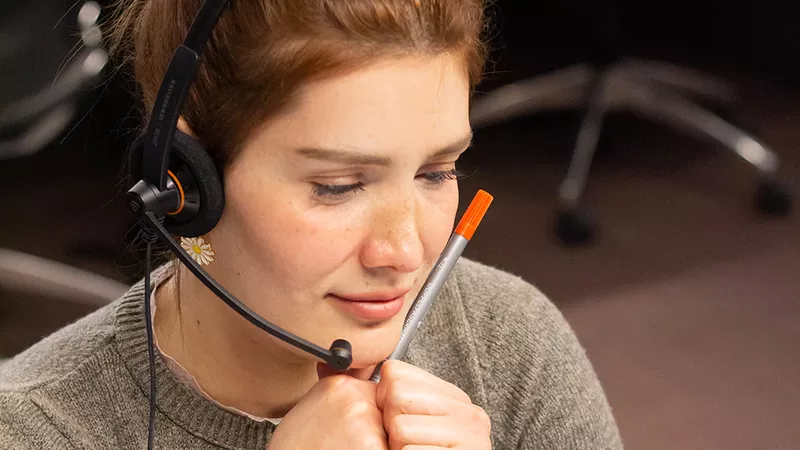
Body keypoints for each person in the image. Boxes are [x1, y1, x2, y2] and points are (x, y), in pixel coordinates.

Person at [0, 1, 623, 449]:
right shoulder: (33, 429)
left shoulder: (511, 342)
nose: (404, 252)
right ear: (183, 180)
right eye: (338, 187)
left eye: (436, 173)